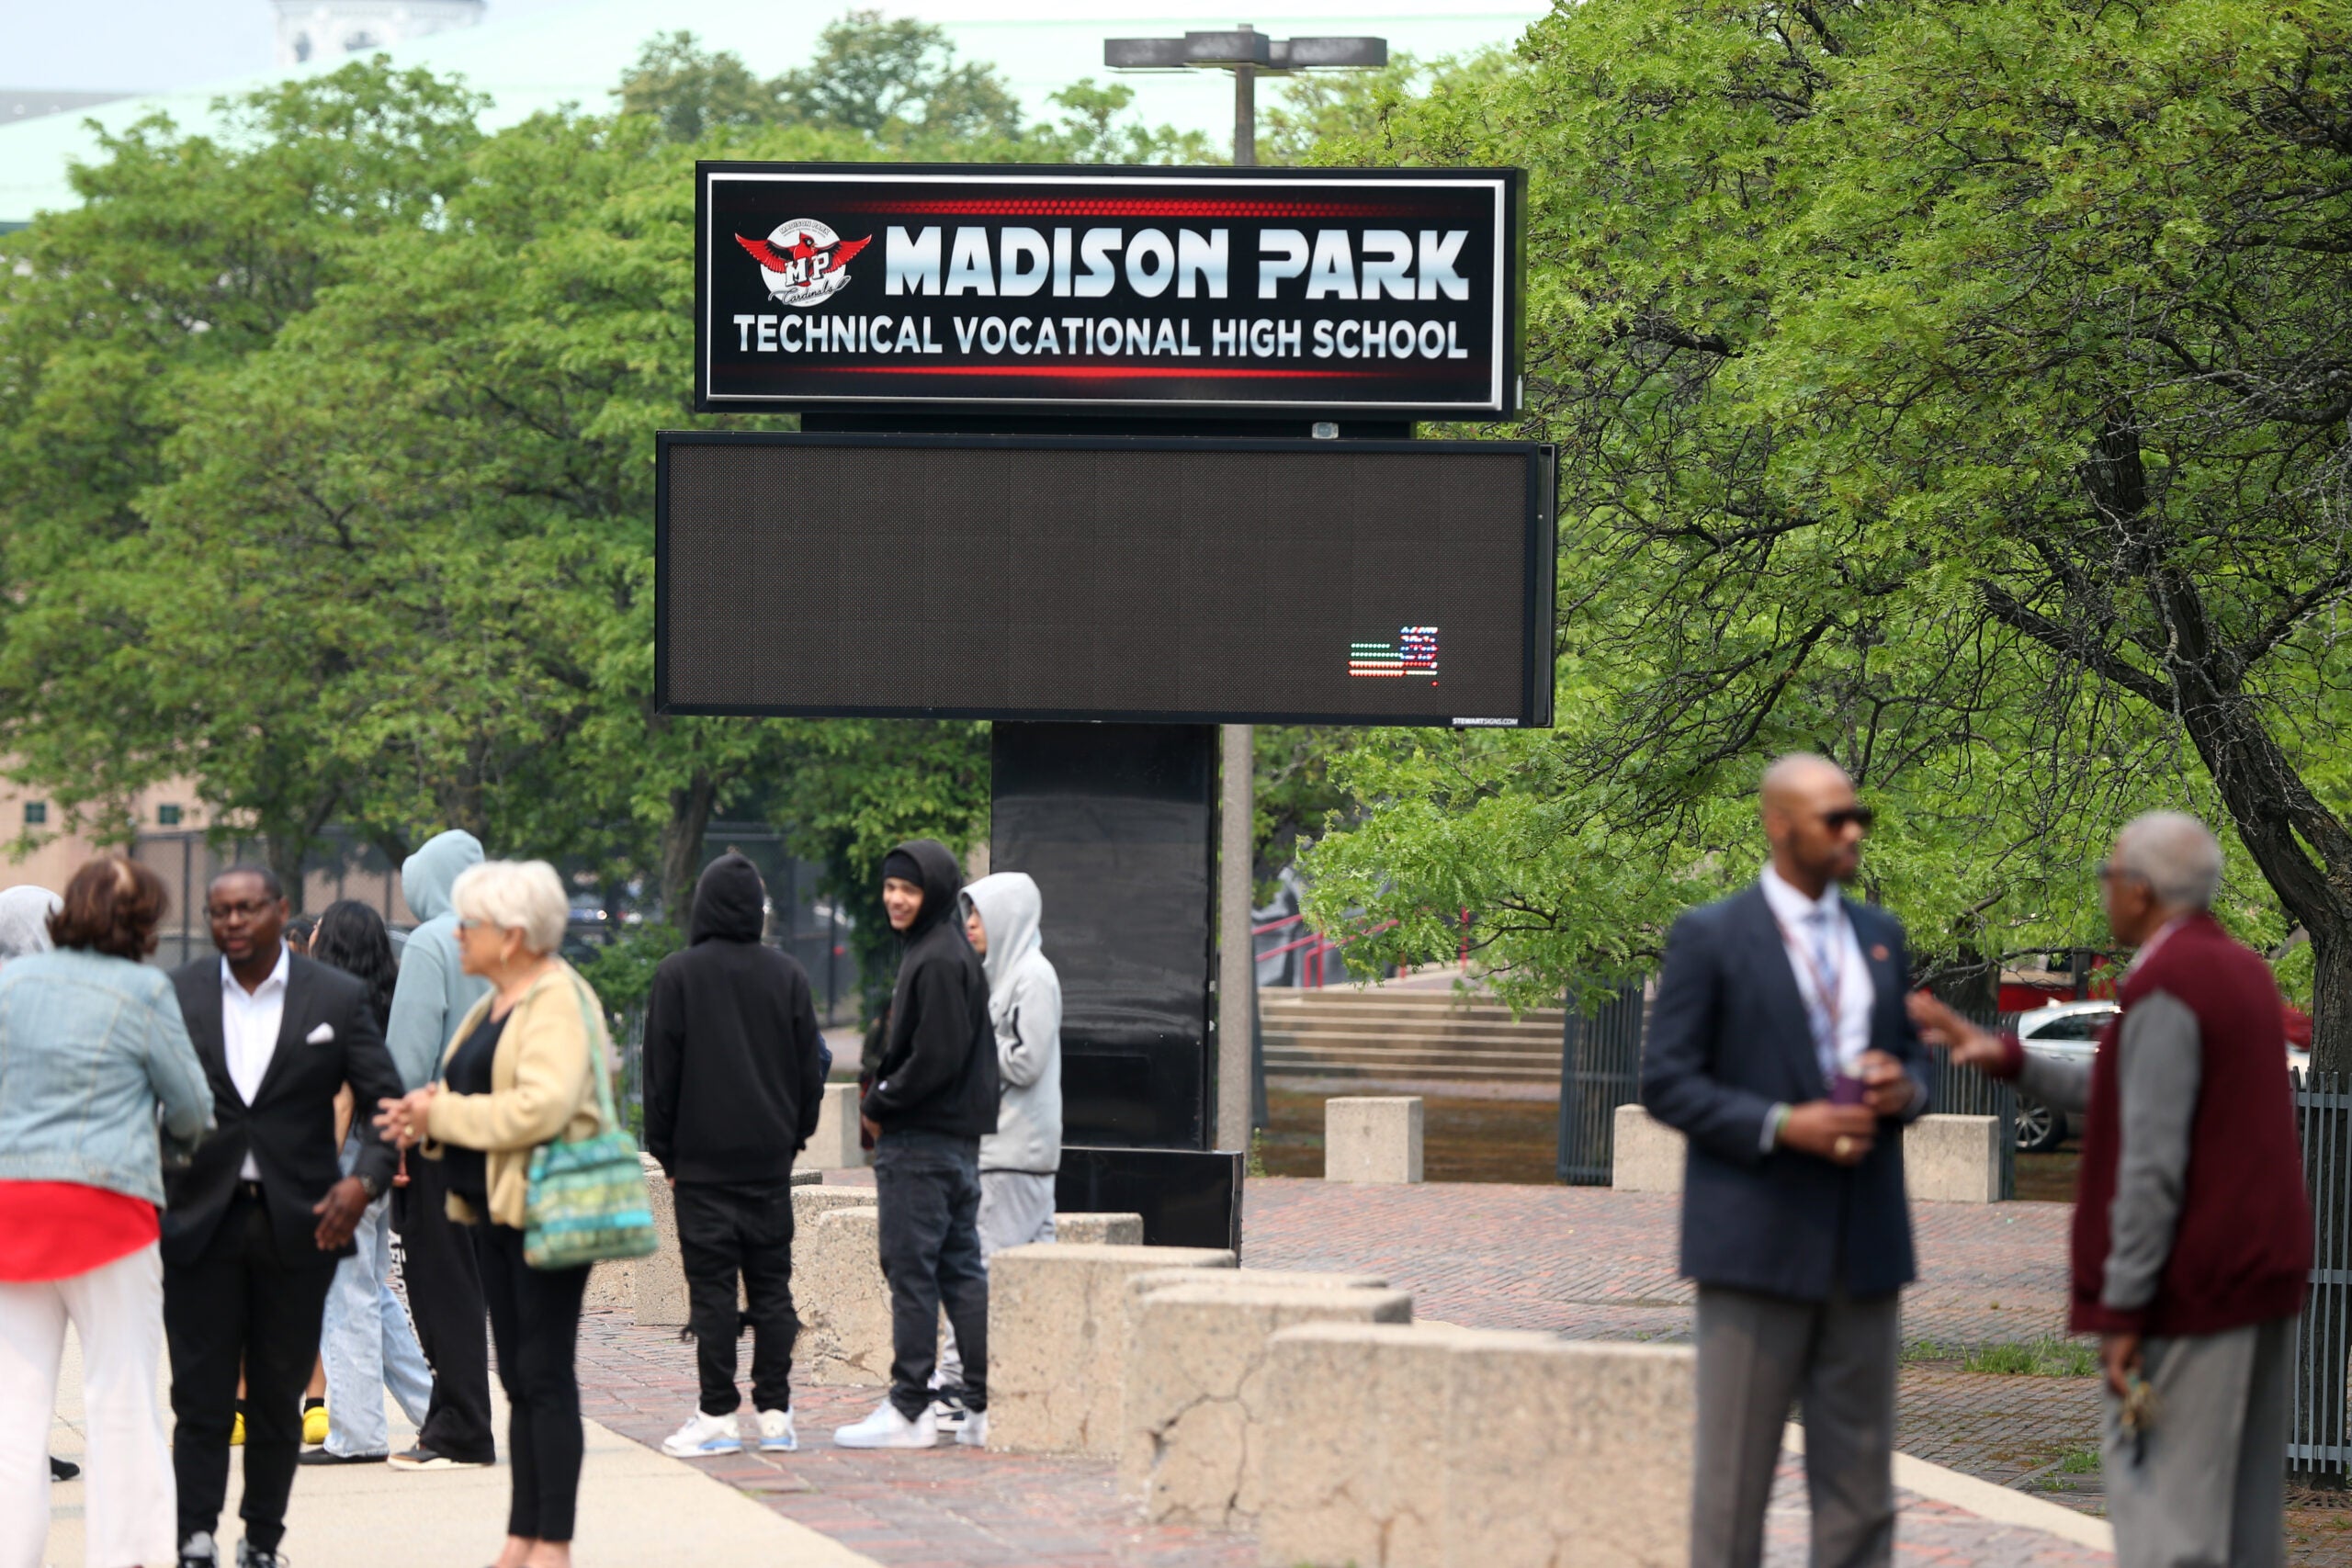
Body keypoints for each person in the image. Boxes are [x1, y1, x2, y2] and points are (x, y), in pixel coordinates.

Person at [1910, 812, 2310, 1568]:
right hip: (2260, 1276)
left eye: (2110, 874)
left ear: (2143, 889)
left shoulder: (2170, 983)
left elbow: (2151, 1161)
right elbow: (2130, 1088)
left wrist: (2124, 1307)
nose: (2104, 890)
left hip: (2188, 1288)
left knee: (2170, 1515)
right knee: (2247, 1521)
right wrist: (2000, 1056)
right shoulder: (2239, 972)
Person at [1639, 754, 1931, 1568]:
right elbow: (1666, 1081)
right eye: (1833, 818)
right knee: (1733, 1488)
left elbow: (1915, 1061)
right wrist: (1778, 1122)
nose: (1852, 832)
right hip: (1754, 1248)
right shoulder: (1711, 935)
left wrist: (1903, 1087)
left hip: (1865, 1248)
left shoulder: (1880, 935)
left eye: (1857, 817)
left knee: (1862, 1496)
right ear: (1778, 824)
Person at [162, 866, 403, 1568]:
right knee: (201, 1399)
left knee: (275, 1400)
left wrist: (362, 1183)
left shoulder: (336, 995)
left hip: (301, 1226)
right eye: (220, 910)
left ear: (281, 910)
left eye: (248, 907)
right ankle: (195, 1539)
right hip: (201, 1225)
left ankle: (262, 1541)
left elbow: (384, 1104)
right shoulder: (181, 994)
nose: (233, 920)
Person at [375, 861, 611, 1568]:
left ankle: (553, 1544)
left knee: (545, 1377)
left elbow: (542, 1104)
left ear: (511, 935)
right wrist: (427, 1116)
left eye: (469, 923)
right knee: (518, 1378)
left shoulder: (557, 999)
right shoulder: (500, 1000)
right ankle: (522, 1535)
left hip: (547, 1210)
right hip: (497, 1210)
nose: (457, 933)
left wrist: (439, 1110)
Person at [0, 861, 212, 1568]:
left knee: (16, 1411)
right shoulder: (144, 990)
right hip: (107, 1207)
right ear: (143, 922)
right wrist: (167, 1151)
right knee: (119, 1395)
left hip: (14, 1207)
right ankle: (127, 1557)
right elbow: (190, 1107)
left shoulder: (9, 984)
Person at [642, 852, 828, 1460]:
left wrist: (664, 1152)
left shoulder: (677, 975)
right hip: (769, 1164)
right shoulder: (789, 976)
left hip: (700, 1167)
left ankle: (717, 1412)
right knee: (773, 1288)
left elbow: (660, 1076)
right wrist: (794, 1133)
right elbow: (810, 1071)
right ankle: (776, 1413)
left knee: (714, 1292)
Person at [833, 840, 998, 1450]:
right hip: (955, 1145)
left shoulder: (933, 957)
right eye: (889, 886)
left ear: (933, 890)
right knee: (959, 1272)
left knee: (912, 1270)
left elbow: (934, 1057)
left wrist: (879, 1103)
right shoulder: (954, 952)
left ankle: (910, 1407)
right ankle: (977, 1404)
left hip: (920, 1146)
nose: (895, 898)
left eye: (908, 887)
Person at [300, 901, 434, 1466]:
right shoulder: (391, 1001)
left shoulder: (331, 1004)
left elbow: (341, 1097)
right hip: (383, 1164)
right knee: (373, 1293)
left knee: (345, 1296)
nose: (308, 937)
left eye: (317, 931)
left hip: (346, 1162)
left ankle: (356, 1435)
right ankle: (438, 1409)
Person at [930, 871, 1061, 1431]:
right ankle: (1032, 1377)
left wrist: (969, 1047)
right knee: (1030, 1269)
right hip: (1011, 1147)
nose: (970, 924)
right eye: (967, 913)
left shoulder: (1032, 977)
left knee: (974, 1269)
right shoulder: (1002, 975)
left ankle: (957, 1387)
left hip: (1013, 1148)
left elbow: (1027, 1062)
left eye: (980, 913)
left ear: (1008, 916)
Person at [380, 829, 494, 1472]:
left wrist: (392, 1133)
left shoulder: (432, 942)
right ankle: (467, 1418)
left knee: (439, 1281)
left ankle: (459, 1425)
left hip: (439, 1137)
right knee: (482, 1283)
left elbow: (406, 1056)